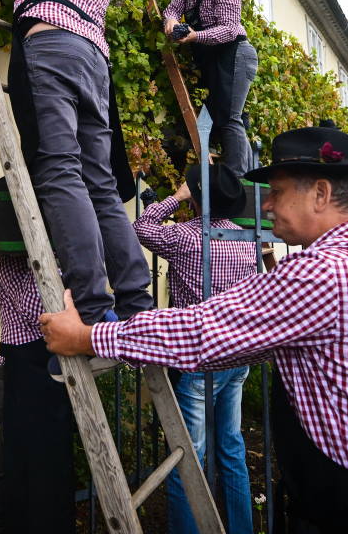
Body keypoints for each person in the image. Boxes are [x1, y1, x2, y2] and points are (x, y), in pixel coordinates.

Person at [41, 123, 348, 533]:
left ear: (321, 194)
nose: (266, 203)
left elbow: (204, 329)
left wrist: (87, 336)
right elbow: (249, 333)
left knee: (195, 451)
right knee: (228, 445)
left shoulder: (326, 271)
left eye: (278, 192)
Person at [7, 0, 153, 326]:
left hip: (52, 45)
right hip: (94, 60)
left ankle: (90, 311)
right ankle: (137, 304)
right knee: (101, 184)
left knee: (59, 170)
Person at [133, 163, 257, 534]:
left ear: (198, 197)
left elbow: (141, 227)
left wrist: (177, 196)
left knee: (187, 456)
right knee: (232, 449)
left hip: (202, 359)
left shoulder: (187, 238)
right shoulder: (246, 239)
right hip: (238, 355)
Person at [0, 254, 74, 533]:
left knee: (20, 474)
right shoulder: (15, 261)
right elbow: (38, 315)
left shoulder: (13, 261)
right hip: (17, 378)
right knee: (15, 477)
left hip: (24, 376)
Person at [161, 0, 259, 174]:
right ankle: (237, 171)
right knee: (216, 115)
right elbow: (172, 10)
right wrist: (171, 21)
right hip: (212, 58)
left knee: (229, 116)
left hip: (235, 53)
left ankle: (237, 178)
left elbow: (229, 30)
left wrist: (195, 37)